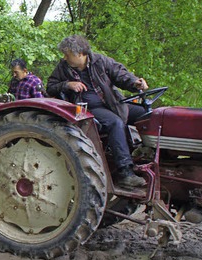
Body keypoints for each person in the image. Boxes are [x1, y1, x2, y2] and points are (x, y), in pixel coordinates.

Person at [46, 35, 148, 188]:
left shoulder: (101, 61)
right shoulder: (63, 67)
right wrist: (68, 84)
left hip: (112, 103)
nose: (65, 58)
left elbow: (120, 74)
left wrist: (135, 82)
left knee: (146, 115)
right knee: (115, 123)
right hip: (88, 109)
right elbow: (51, 86)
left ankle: (147, 155)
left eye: (67, 54)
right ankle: (125, 172)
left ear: (80, 54)